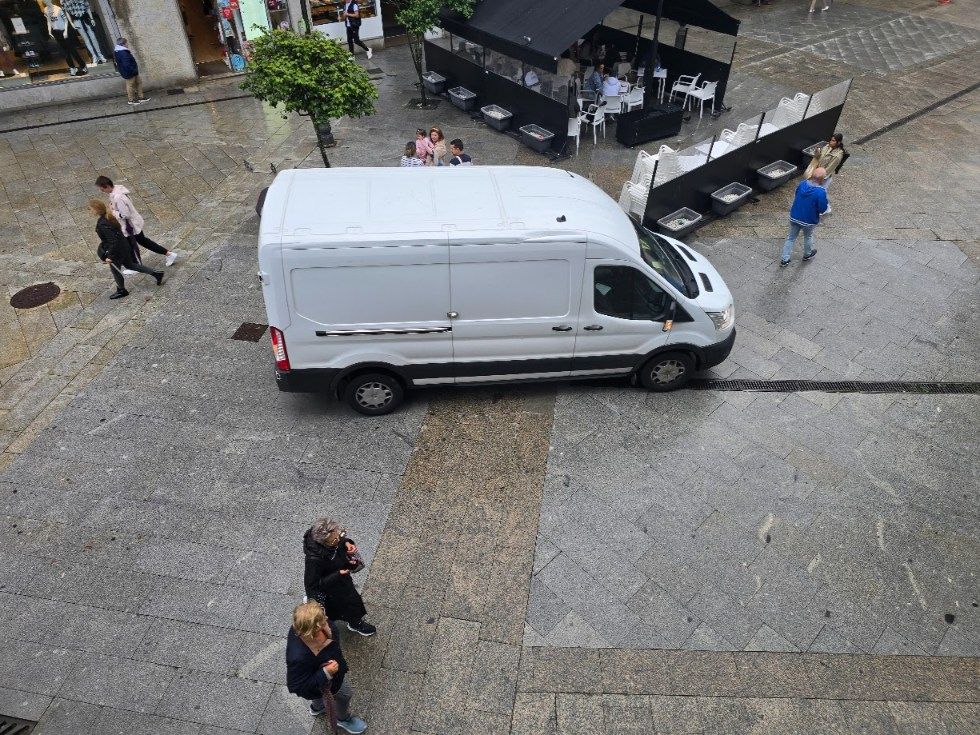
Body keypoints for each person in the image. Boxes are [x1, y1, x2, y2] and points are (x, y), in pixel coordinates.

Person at [286, 601, 367, 734]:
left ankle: (317, 708)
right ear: (315, 628)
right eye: (323, 617)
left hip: (320, 685)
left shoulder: (306, 626)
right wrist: (325, 673)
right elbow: (296, 686)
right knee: (346, 695)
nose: (326, 617)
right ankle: (342, 719)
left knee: (317, 696)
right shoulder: (298, 657)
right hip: (329, 682)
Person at [303, 519, 377, 637]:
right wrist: (338, 574)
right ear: (324, 543)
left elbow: (339, 542)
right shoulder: (313, 560)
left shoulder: (330, 542)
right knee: (350, 605)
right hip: (333, 590)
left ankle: (352, 622)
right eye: (334, 541)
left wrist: (347, 543)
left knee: (344, 606)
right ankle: (355, 624)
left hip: (341, 581)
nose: (338, 540)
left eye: (339, 535)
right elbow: (313, 584)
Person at [96, 176, 178, 267]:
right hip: (132, 223)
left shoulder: (118, 197)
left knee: (131, 245)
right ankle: (168, 254)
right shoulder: (118, 191)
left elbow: (125, 214)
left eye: (102, 189)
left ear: (106, 186)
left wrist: (114, 212)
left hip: (129, 226)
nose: (102, 192)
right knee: (142, 242)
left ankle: (135, 265)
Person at [90, 199, 163, 299]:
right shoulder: (109, 217)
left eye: (91, 209)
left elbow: (112, 241)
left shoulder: (102, 223)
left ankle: (121, 290)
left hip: (117, 251)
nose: (90, 211)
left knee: (116, 271)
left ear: (96, 210)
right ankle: (156, 273)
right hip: (124, 246)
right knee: (130, 265)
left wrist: (110, 256)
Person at [780, 167, 829, 267]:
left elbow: (796, 194)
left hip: (794, 216)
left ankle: (784, 259)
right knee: (808, 236)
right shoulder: (821, 192)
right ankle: (807, 254)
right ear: (822, 179)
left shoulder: (802, 183)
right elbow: (822, 208)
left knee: (791, 238)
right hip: (809, 220)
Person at [113, 38, 148, 106]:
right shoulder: (122, 52)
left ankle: (141, 97)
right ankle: (131, 100)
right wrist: (133, 71)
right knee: (130, 86)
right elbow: (127, 64)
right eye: (126, 43)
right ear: (123, 44)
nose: (127, 44)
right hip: (130, 72)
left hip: (132, 71)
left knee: (139, 82)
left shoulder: (120, 51)